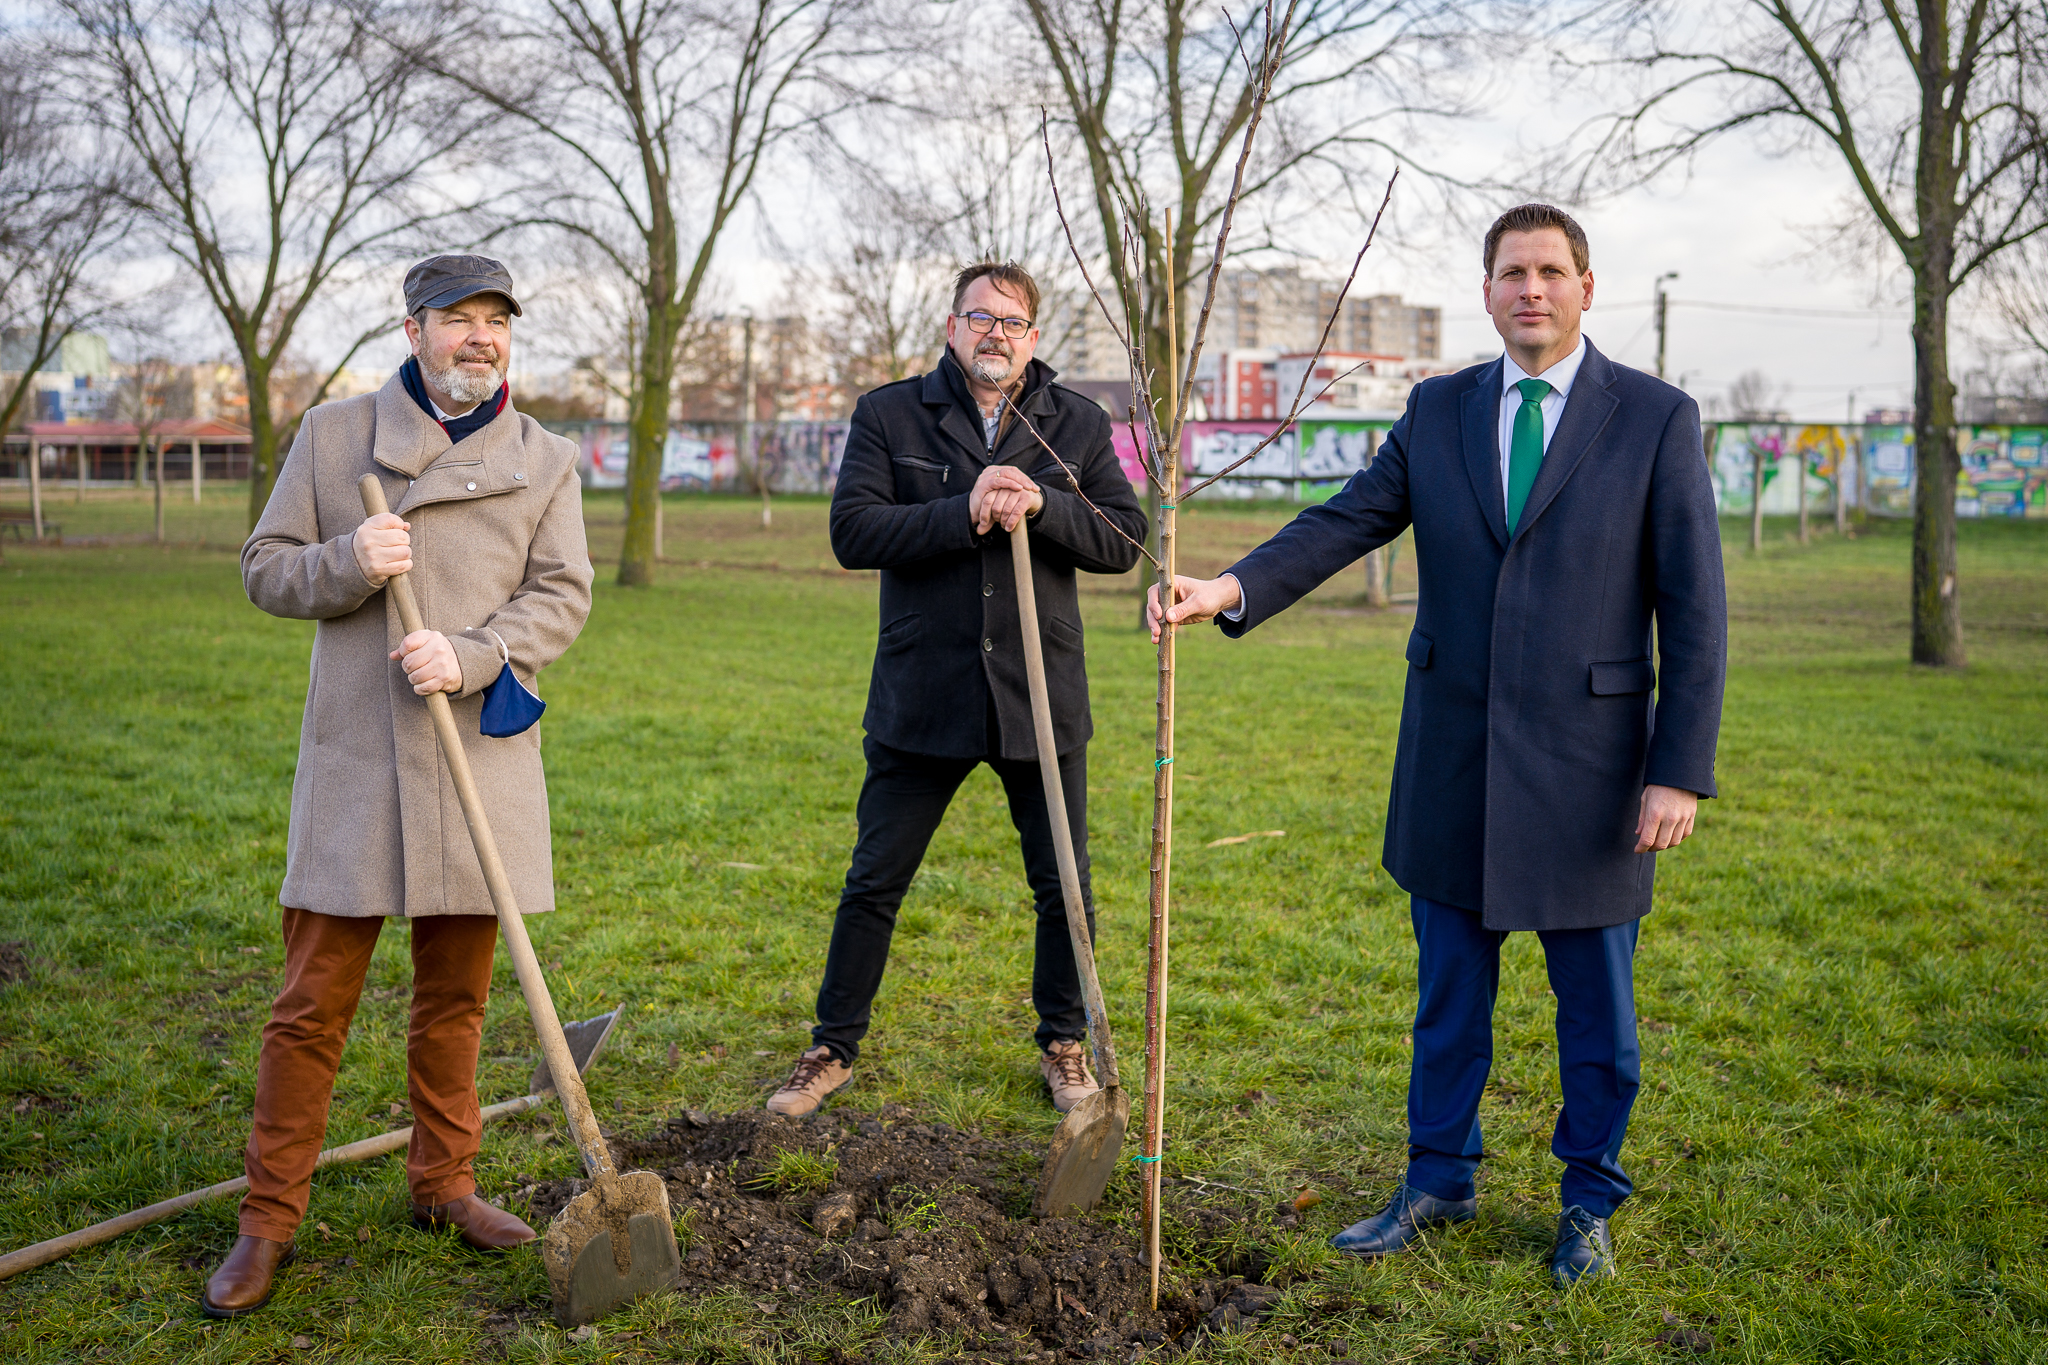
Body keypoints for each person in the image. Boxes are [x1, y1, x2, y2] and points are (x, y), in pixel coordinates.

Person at [1150, 205, 1726, 1286]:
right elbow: (1348, 517)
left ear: (1586, 288)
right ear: (1486, 290)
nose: (1530, 290)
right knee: (1447, 999)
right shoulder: (1438, 409)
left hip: (1594, 776)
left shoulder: (1653, 418)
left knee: (1596, 1022)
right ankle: (1436, 1179)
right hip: (1453, 766)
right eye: (1511, 272)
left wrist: (1675, 769)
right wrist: (1226, 587)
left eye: (1550, 272)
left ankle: (1585, 1203)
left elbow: (1694, 608)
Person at [208, 254, 593, 1316]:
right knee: (310, 1002)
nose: (480, 338)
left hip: (478, 753)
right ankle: (267, 1220)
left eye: (495, 321)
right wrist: (347, 560)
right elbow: (263, 568)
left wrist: (470, 654)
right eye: (457, 319)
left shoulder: (545, 457)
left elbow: (562, 595)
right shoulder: (336, 438)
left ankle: (444, 1183)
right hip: (357, 762)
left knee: (456, 999)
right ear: (413, 326)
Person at [765, 261, 1146, 1118]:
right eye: (981, 317)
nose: (996, 334)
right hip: (922, 689)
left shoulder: (1073, 424)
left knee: (1063, 883)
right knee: (875, 878)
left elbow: (1126, 538)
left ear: (1034, 338)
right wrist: (963, 506)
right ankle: (831, 1046)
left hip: (1039, 693)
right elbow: (853, 532)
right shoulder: (891, 413)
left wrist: (1043, 504)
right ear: (951, 326)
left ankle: (1062, 1042)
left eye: (1013, 321)